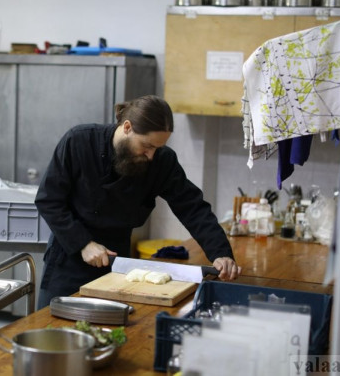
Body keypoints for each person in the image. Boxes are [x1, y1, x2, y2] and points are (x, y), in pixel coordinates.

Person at [35, 95, 241, 308]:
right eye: (146, 146)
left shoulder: (162, 161)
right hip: (69, 258)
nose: (151, 156)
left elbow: (193, 208)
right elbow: (49, 200)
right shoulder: (79, 141)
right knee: (53, 323)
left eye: (157, 148)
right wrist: (83, 244)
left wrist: (221, 253)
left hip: (117, 262)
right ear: (127, 127)